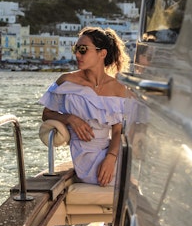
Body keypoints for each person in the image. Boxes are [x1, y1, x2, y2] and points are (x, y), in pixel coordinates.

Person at [38, 26, 130, 186]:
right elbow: (46, 114)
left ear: (102, 53)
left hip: (111, 151)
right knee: (127, 183)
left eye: (83, 49)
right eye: (76, 49)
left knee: (140, 174)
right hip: (85, 155)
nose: (77, 54)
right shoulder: (66, 81)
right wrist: (70, 118)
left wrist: (111, 157)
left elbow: (117, 131)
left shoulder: (118, 88)